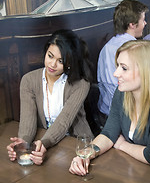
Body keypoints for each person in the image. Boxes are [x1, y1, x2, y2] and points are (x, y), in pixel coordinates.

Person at [69, 40, 150, 176]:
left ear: (146, 71)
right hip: (141, 169)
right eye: (118, 66)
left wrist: (121, 145)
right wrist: (87, 154)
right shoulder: (122, 93)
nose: (116, 73)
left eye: (124, 68)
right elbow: (108, 134)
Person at [7, 29, 94, 165]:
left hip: (76, 144)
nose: (52, 64)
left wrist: (44, 144)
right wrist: (23, 142)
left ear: (69, 62)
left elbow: (64, 121)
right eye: (50, 56)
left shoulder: (81, 84)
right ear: (45, 52)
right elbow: (27, 119)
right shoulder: (29, 80)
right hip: (44, 143)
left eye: (61, 61)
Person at [97, 0, 148, 119]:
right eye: (143, 20)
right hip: (126, 115)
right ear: (132, 24)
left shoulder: (107, 47)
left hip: (104, 111)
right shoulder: (134, 48)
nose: (145, 23)